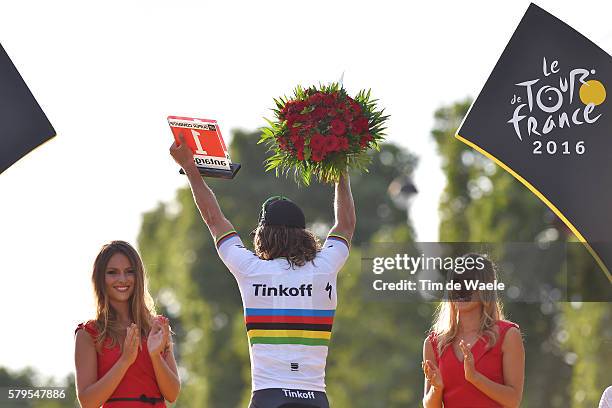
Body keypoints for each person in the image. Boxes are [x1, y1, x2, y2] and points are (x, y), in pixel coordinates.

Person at [170, 134, 355, 408]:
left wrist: (191, 170)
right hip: (315, 396)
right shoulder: (324, 268)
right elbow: (346, 224)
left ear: (262, 236)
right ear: (303, 235)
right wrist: (341, 172)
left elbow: (214, 220)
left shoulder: (251, 270)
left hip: (268, 395)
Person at [74, 241, 181, 407]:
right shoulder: (88, 333)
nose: (122, 279)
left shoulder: (156, 327)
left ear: (138, 276)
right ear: (100, 278)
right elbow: (88, 402)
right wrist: (124, 361)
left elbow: (172, 394)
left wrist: (155, 356)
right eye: (112, 272)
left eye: (129, 272)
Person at [422, 254, 525, 408]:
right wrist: (436, 388)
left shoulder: (508, 336)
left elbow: (513, 400)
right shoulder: (434, 343)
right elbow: (430, 406)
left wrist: (475, 377)